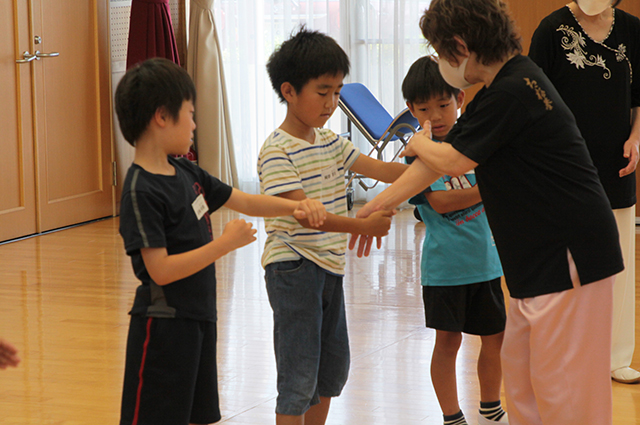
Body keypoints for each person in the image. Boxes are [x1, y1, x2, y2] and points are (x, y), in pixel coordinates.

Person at [349, 1, 624, 424]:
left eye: (441, 53)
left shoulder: (515, 88)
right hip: (538, 257)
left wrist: (417, 140)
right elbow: (435, 163)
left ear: (461, 46)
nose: (442, 64)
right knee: (524, 373)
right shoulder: (499, 92)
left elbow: (449, 160)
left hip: (571, 252)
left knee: (563, 387)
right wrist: (376, 204)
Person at [115, 58, 328, 425]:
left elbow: (242, 199)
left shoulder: (185, 170)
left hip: (200, 318)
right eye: (190, 114)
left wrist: (296, 207)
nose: (195, 124)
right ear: (162, 117)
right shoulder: (140, 190)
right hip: (163, 328)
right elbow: (160, 270)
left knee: (199, 416)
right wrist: (225, 244)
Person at [258, 27, 408, 425]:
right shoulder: (276, 150)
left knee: (330, 371)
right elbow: (308, 216)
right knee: (299, 375)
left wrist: (434, 159)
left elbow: (385, 170)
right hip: (293, 268)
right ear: (289, 91)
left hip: (327, 268)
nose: (331, 103)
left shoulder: (331, 142)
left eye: (337, 92)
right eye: (322, 92)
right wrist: (364, 226)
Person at [529, 0, 640, 385]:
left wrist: (636, 139)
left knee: (620, 262)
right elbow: (533, 100)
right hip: (565, 168)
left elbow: (639, 97)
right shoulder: (550, 30)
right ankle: (566, 355)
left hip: (617, 164)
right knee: (569, 268)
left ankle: (616, 356)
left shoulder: (631, 29)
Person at [402, 56, 507, 425]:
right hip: (445, 270)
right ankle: (452, 417)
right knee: (448, 344)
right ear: (411, 110)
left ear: (460, 99)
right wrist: (489, 187)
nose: (436, 115)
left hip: (487, 263)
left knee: (495, 340)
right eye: (424, 108)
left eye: (443, 104)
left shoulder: (474, 143)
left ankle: (492, 408)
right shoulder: (420, 153)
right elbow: (442, 202)